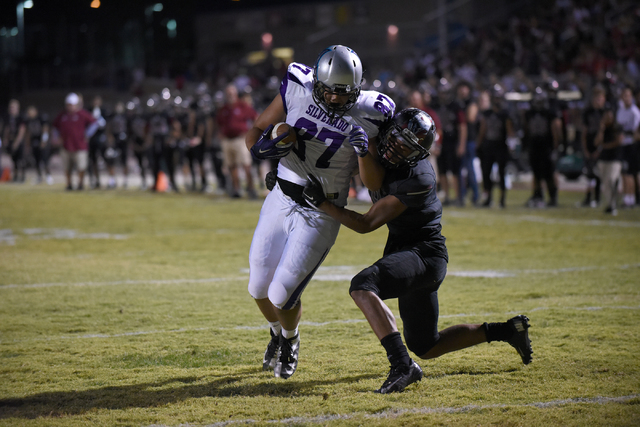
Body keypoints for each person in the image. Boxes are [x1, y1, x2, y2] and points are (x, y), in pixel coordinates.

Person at [301, 108, 533, 393]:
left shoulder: (418, 178)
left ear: (419, 153)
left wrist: (323, 204)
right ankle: (509, 330)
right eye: (397, 141)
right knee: (427, 345)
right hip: (407, 252)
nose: (397, 151)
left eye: (406, 148)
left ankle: (402, 365)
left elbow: (366, 223)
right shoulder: (376, 137)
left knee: (362, 286)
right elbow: (365, 170)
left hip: (425, 255)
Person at [245, 45, 394, 379]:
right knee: (257, 287)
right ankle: (276, 332)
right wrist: (264, 148)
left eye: (343, 94)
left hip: (322, 208)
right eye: (328, 91)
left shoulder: (372, 113)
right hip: (282, 195)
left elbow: (373, 182)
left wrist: (363, 151)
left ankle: (290, 338)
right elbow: (255, 132)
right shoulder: (298, 84)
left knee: (282, 293)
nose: (334, 100)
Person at [217, 84, 258, 198]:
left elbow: (255, 118)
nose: (230, 95)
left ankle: (251, 189)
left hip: (240, 139)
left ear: (235, 94)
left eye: (231, 93)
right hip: (227, 140)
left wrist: (252, 133)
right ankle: (236, 189)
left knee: (246, 165)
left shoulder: (242, 106)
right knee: (232, 166)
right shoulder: (224, 109)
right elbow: (219, 123)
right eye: (228, 93)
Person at [522, 89, 562, 207]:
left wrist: (556, 146)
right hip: (534, 146)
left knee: (549, 173)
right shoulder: (529, 113)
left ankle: (553, 196)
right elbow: (527, 129)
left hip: (546, 147)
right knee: (536, 174)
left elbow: (555, 129)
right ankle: (537, 195)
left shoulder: (550, 112)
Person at [52, 93, 98, 191]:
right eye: (69, 104)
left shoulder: (82, 114)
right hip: (66, 145)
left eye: (72, 104)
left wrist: (87, 134)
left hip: (80, 145)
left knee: (81, 167)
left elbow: (94, 123)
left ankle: (80, 184)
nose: (70, 107)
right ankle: (69, 184)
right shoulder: (63, 115)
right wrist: (56, 137)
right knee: (67, 167)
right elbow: (55, 126)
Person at [477, 89, 514, 208]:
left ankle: (502, 199)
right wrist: (479, 144)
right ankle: (488, 198)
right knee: (486, 173)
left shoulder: (505, 114)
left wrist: (511, 145)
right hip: (488, 146)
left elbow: (509, 131)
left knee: (501, 174)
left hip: (500, 146)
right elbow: (483, 130)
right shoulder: (486, 113)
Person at [438, 86, 467, 206]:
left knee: (454, 171)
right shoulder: (437, 106)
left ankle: (458, 197)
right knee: (442, 171)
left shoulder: (456, 106)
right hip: (441, 142)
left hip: (453, 142)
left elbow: (462, 126)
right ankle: (446, 196)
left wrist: (461, 144)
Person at [580, 86, 608, 207]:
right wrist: (585, 149)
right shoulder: (588, 112)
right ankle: (588, 198)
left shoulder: (606, 113)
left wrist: (600, 148)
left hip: (602, 146)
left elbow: (607, 133)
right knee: (589, 173)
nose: (598, 100)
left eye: (600, 98)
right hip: (590, 145)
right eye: (596, 97)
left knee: (598, 174)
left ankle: (597, 198)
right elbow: (584, 132)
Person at [456, 81, 480, 206]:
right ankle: (463, 196)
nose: (462, 91)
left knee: (469, 170)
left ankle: (475, 196)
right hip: (460, 140)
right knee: (460, 171)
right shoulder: (458, 103)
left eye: (464, 88)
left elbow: (470, 118)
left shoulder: (471, 103)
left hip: (469, 140)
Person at [615, 87, 640, 208]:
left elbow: (635, 133)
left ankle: (631, 199)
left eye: (628, 95)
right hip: (622, 144)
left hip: (631, 145)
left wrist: (624, 134)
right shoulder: (621, 110)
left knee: (630, 173)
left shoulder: (634, 112)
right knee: (624, 173)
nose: (626, 98)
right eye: (624, 95)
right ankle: (626, 197)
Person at [596, 107, 623, 215]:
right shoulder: (602, 128)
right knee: (606, 183)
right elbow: (597, 142)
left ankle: (613, 204)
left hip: (615, 159)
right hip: (603, 159)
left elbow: (619, 141)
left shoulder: (617, 127)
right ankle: (611, 205)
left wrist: (605, 146)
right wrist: (601, 129)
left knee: (611, 179)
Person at [24, 105, 52, 185]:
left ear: (35, 111)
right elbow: (28, 132)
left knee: (44, 160)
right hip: (34, 141)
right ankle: (39, 176)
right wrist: (27, 144)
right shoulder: (28, 120)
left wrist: (44, 140)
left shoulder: (41, 118)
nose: (29, 114)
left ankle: (48, 176)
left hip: (42, 141)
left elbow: (45, 129)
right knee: (36, 161)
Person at [105, 101, 130, 189]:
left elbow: (129, 129)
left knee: (124, 161)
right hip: (114, 140)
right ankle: (112, 180)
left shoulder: (126, 117)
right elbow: (108, 128)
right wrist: (110, 139)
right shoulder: (112, 116)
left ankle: (125, 180)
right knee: (111, 160)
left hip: (124, 141)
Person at [1, 99, 26, 182]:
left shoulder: (20, 117)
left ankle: (22, 176)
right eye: (10, 107)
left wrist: (16, 142)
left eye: (13, 107)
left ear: (17, 108)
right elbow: (7, 129)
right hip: (11, 140)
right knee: (14, 160)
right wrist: (5, 139)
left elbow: (21, 131)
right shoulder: (8, 117)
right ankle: (15, 176)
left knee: (20, 160)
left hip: (19, 141)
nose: (11, 109)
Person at [87, 95, 108, 189]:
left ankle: (111, 179)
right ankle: (95, 179)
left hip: (102, 138)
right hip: (92, 139)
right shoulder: (88, 111)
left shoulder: (104, 112)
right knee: (92, 160)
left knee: (106, 158)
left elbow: (108, 125)